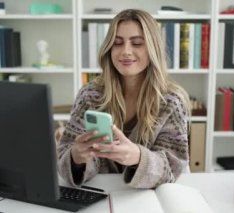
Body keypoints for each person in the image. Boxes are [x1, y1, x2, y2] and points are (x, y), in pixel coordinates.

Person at [57, 9, 191, 189]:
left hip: (148, 197)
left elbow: (173, 167)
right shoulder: (89, 95)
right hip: (101, 193)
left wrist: (138, 157)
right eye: (117, 43)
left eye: (137, 43)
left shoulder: (171, 101)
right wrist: (76, 157)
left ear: (152, 49)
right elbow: (63, 155)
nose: (126, 51)